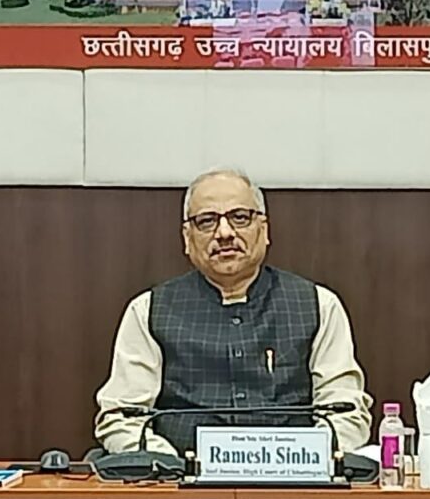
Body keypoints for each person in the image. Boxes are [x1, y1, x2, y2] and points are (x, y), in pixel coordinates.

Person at [94, 169, 373, 456]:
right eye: (207, 221)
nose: (225, 233)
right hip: (181, 478)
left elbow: (347, 414)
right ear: (187, 238)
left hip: (293, 476)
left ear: (263, 230)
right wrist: (170, 464)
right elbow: (121, 419)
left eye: (240, 217)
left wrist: (306, 457)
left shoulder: (319, 305)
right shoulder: (148, 310)